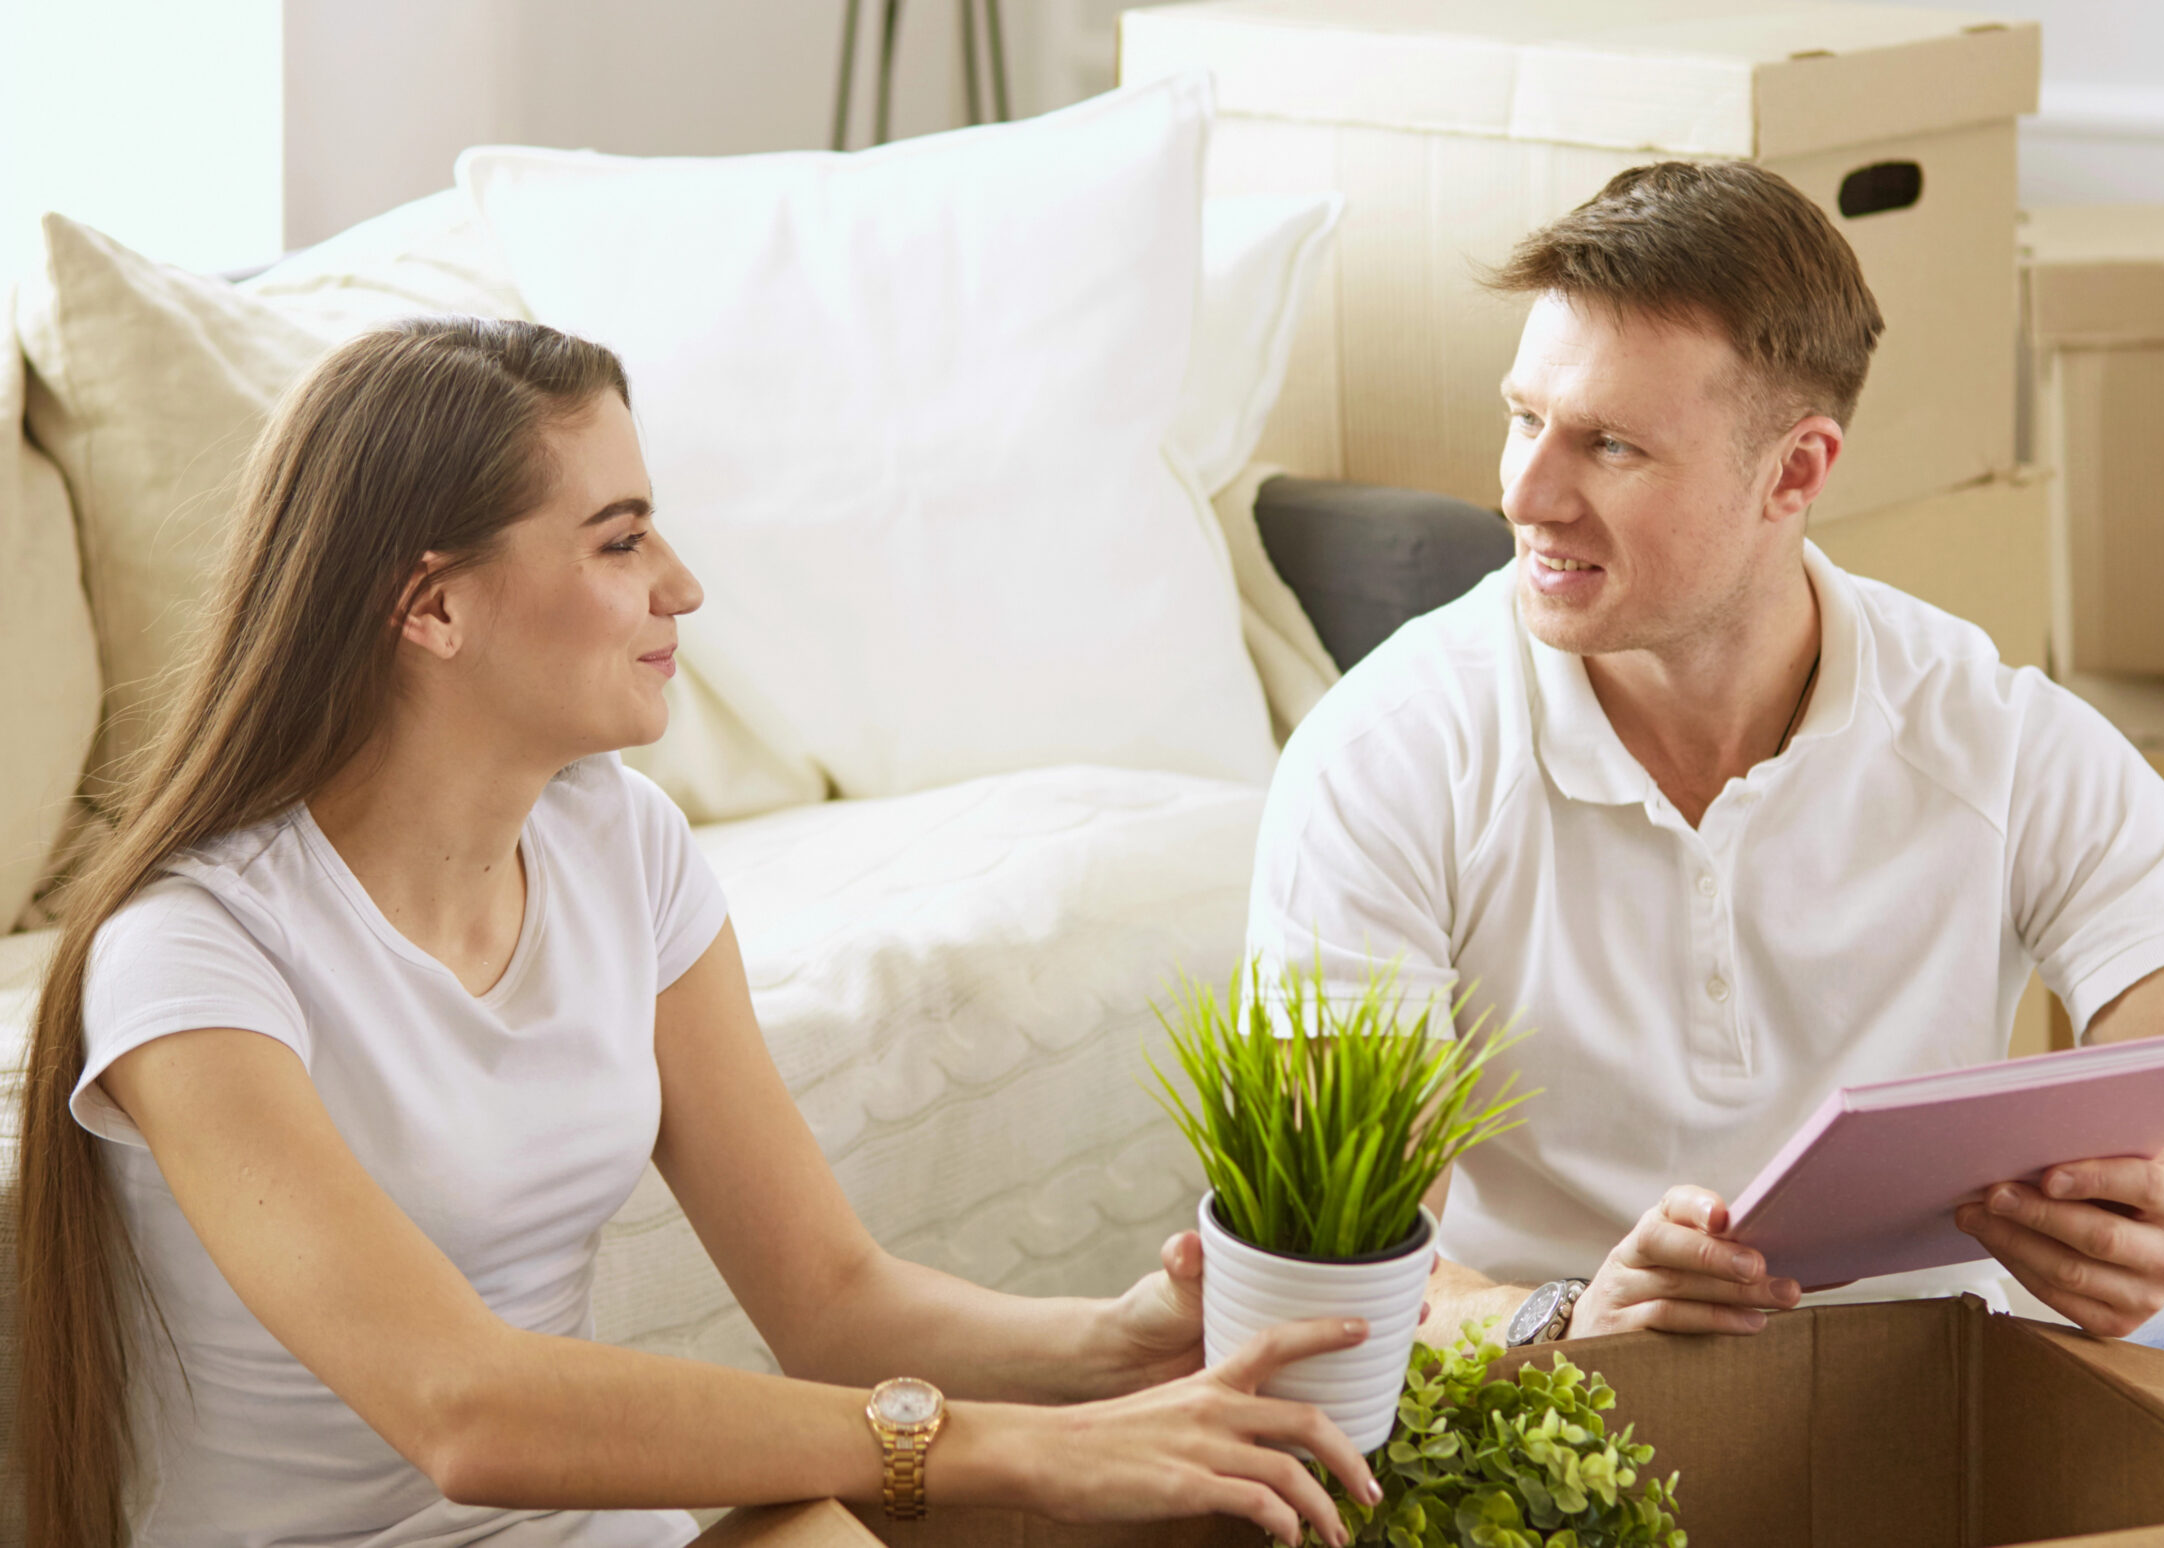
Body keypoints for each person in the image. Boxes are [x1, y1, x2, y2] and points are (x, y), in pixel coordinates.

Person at [1244, 160, 2164, 1546]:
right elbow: (1328, 1280)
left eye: (1610, 448)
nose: (1530, 493)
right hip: (1565, 1424)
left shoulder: (1994, 738)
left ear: (1796, 471)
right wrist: (1558, 1319)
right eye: (1525, 420)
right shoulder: (1389, 756)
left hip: (1941, 1396)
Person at [16, 317, 1383, 1548]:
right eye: (619, 540)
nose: (682, 585)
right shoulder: (194, 953)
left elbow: (833, 1302)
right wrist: (1022, 1450)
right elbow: (463, 1409)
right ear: (431, 604)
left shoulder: (620, 845)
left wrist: (1110, 1347)